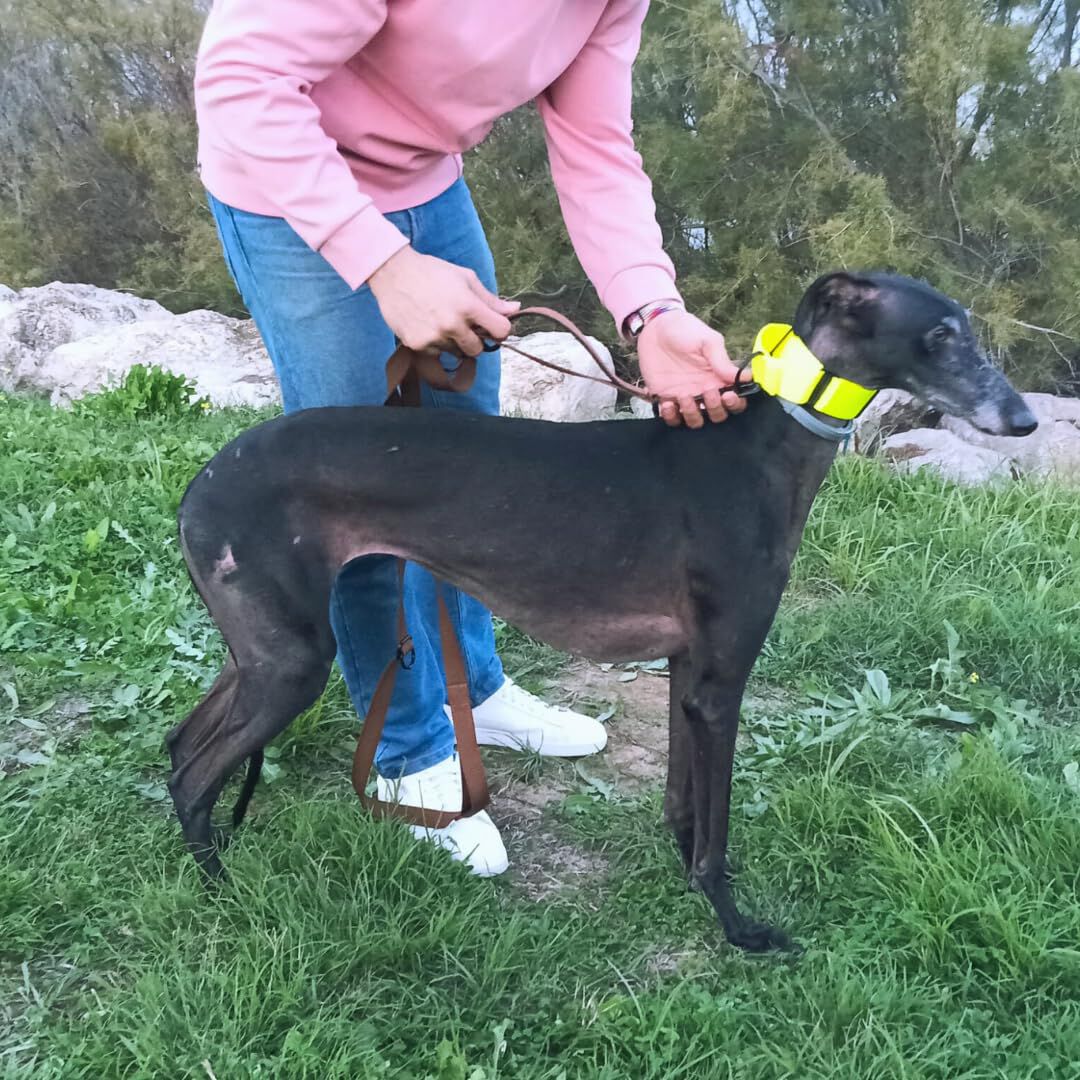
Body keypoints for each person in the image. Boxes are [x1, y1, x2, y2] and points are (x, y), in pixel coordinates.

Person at [194, 0, 749, 877]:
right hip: (290, 187)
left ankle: (474, 689)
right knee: (357, 492)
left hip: (426, 185)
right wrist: (377, 260)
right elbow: (241, 78)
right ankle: (409, 750)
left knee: (467, 471)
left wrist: (650, 308)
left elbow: (596, 143)